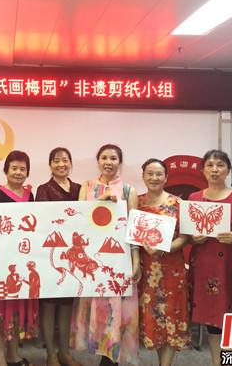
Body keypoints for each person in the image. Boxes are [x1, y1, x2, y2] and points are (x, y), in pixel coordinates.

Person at [70, 144, 140, 366]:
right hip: (92, 258)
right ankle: (103, 355)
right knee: (97, 308)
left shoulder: (128, 191)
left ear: (120, 162)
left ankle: (111, 358)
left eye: (113, 158)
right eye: (104, 158)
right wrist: (100, 202)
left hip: (118, 258)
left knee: (116, 309)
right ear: (98, 161)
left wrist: (136, 261)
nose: (108, 162)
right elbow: (78, 219)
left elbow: (133, 229)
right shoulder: (87, 186)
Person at [188, 149, 232, 366]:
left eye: (220, 165)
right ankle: (217, 362)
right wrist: (194, 238)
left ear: (228, 170)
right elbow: (187, 234)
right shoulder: (194, 198)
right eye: (210, 165)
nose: (215, 170)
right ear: (203, 170)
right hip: (205, 267)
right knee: (212, 317)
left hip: (231, 267)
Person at [0, 150, 38, 366]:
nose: (18, 172)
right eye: (14, 168)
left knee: (17, 308)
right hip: (2, 261)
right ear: (6, 170)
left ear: (27, 173)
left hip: (23, 259)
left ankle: (14, 354)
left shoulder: (30, 196)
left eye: (22, 169)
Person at [137, 158, 189, 366]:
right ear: (143, 176)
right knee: (153, 318)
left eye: (159, 174)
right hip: (146, 272)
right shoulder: (137, 203)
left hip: (172, 270)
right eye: (150, 173)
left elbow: (185, 237)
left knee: (171, 317)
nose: (154, 178)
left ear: (166, 177)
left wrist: (164, 247)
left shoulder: (177, 203)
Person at [35, 147, 82, 366]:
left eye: (65, 160)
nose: (61, 164)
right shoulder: (43, 189)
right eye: (56, 160)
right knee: (48, 304)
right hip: (50, 255)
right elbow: (44, 221)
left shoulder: (80, 189)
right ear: (50, 165)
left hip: (72, 256)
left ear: (70, 163)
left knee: (66, 304)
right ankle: (51, 354)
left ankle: (65, 352)